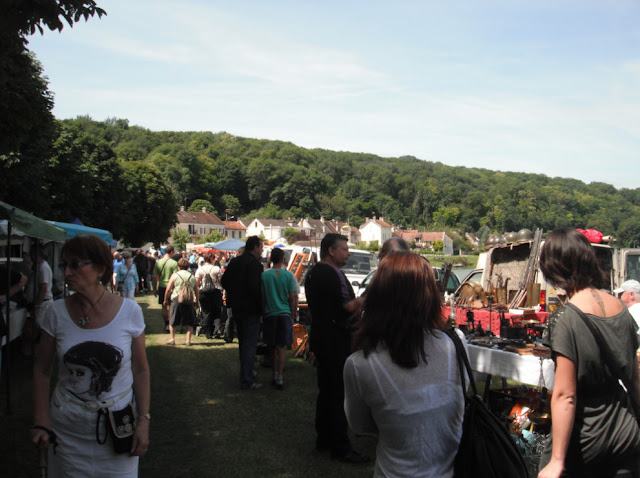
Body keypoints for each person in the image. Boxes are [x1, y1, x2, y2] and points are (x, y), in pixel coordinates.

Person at [30, 234, 150, 477]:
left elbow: (141, 370)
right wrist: (42, 420)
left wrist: (144, 421)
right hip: (66, 430)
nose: (67, 273)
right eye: (65, 265)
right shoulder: (55, 312)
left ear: (100, 268)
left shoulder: (130, 312)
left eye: (75, 264)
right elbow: (42, 370)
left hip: (117, 428)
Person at [343, 251, 465, 476]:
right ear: (430, 295)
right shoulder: (455, 344)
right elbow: (461, 401)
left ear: (377, 295)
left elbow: (360, 426)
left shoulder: (360, 365)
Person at [537, 228, 640, 478]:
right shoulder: (620, 308)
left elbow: (566, 395)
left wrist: (557, 461)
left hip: (586, 437)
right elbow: (635, 379)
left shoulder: (565, 318)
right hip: (626, 431)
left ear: (554, 268)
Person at [304, 233, 368, 463]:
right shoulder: (332, 273)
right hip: (335, 339)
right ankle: (340, 447)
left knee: (326, 391)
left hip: (321, 336)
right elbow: (349, 307)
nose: (348, 252)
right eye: (344, 249)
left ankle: (324, 439)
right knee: (338, 394)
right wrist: (365, 297)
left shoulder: (312, 272)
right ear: (331, 251)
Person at [221, 237, 264, 390]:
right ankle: (246, 379)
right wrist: (261, 306)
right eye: (261, 247)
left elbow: (224, 281)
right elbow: (255, 289)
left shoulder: (235, 261)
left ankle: (247, 373)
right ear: (255, 248)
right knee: (249, 344)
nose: (262, 250)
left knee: (243, 343)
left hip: (236, 307)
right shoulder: (255, 264)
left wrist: (234, 292)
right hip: (250, 308)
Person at [261, 248, 298, 390]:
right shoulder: (288, 276)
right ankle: (280, 376)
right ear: (283, 259)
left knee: (273, 347)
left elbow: (263, 297)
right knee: (282, 347)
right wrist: (292, 312)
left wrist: (263, 311)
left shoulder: (265, 275)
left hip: (270, 313)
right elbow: (292, 296)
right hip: (284, 314)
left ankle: (275, 373)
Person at [163, 258, 199, 346]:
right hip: (188, 299)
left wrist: (165, 299)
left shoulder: (175, 275)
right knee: (189, 321)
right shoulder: (192, 276)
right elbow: (196, 290)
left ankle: (172, 338)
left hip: (176, 298)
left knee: (173, 319)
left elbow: (168, 289)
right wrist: (197, 301)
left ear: (178, 266)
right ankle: (188, 340)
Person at [195, 252, 223, 339]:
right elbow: (221, 280)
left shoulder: (200, 270)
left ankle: (208, 333)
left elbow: (197, 283)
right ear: (211, 259)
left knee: (206, 312)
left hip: (203, 292)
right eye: (214, 259)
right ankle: (217, 329)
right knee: (217, 311)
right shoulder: (216, 268)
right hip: (215, 291)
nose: (215, 260)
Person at [153, 246, 178, 332]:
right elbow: (175, 276)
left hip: (161, 286)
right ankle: (171, 323)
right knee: (171, 306)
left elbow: (155, 277)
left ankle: (166, 323)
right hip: (171, 287)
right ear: (171, 252)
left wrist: (155, 288)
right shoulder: (174, 263)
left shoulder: (158, 262)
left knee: (164, 306)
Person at [31, 249, 54, 327]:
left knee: (41, 325)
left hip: (44, 303)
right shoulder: (41, 266)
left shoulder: (43, 268)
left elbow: (44, 288)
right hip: (43, 302)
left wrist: (38, 304)